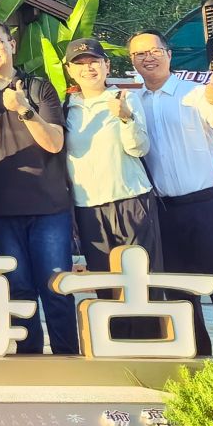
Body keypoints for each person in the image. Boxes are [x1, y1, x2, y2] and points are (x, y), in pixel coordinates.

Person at [0, 21, 77, 356]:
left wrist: (24, 109)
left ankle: (69, 360)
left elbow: (55, 144)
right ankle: (30, 362)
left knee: (56, 288)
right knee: (18, 290)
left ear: (11, 44)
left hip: (49, 208)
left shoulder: (38, 87)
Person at [127, 31, 213, 355]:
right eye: (139, 54)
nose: (148, 58)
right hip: (163, 211)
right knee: (179, 291)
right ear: (132, 62)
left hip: (207, 204)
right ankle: (197, 361)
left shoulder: (195, 93)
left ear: (169, 54)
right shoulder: (132, 103)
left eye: (154, 51)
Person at [62, 39, 160, 283]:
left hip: (131, 200)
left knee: (142, 281)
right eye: (80, 64)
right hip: (89, 209)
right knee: (105, 283)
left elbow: (139, 149)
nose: (88, 68)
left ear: (107, 65)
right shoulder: (66, 108)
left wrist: (126, 118)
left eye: (94, 61)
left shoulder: (124, 98)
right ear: (69, 70)